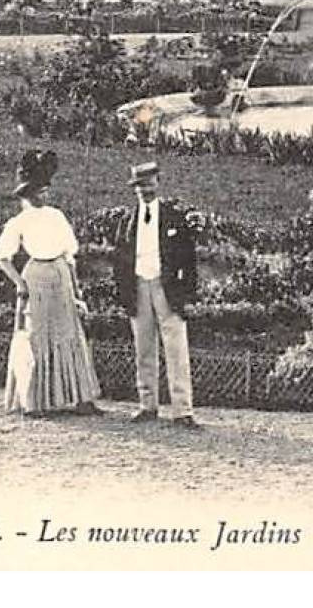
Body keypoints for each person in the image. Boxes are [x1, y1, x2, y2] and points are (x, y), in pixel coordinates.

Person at [0, 150, 102, 417]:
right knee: (36, 337)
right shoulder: (19, 222)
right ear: (27, 194)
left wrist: (76, 291)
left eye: (45, 191)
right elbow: (1, 257)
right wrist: (20, 283)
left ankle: (81, 398)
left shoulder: (56, 216)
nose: (44, 196)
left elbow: (69, 255)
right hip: (36, 277)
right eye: (38, 192)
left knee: (70, 333)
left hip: (60, 274)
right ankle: (35, 401)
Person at [113, 162, 201, 429]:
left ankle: (182, 410)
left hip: (167, 289)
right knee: (144, 349)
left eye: (148, 184)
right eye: (139, 185)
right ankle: (147, 405)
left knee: (176, 349)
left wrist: (185, 293)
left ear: (158, 183)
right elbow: (119, 261)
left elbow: (189, 259)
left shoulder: (174, 217)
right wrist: (124, 292)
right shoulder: (127, 221)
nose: (144, 190)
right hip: (139, 287)